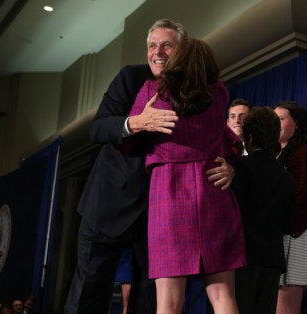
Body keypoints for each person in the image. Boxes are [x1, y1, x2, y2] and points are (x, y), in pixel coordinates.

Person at [64, 19, 235, 314]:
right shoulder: (133, 79)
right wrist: (137, 123)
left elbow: (221, 138)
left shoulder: (202, 90)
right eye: (152, 46)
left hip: (162, 211)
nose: (157, 52)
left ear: (182, 50)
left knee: (151, 298)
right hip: (111, 205)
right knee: (89, 290)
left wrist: (230, 166)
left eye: (167, 45)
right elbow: (99, 129)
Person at [121, 37, 246, 314]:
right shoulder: (220, 93)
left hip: (169, 192)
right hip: (212, 187)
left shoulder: (153, 90)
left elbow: (127, 142)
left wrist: (144, 119)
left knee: (168, 302)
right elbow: (225, 138)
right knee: (223, 295)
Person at [231, 106, 296, 314]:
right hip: (271, 261)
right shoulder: (285, 175)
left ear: (249, 137)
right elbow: (289, 224)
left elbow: (233, 215)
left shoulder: (241, 167)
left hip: (242, 259)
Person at [273, 101, 307, 314]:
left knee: (286, 308)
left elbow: (298, 197)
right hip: (277, 234)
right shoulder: (274, 155)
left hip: (296, 233)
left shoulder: (305, 154)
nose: (276, 124)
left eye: (281, 119)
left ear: (298, 124)